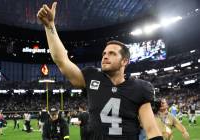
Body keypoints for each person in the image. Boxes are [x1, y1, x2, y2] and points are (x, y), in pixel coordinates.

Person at [37, 2, 162, 140]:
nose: (105, 56)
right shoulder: (92, 77)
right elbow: (62, 60)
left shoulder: (139, 88)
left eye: (112, 53)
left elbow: (151, 129)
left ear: (124, 61)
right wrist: (50, 27)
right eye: (104, 53)